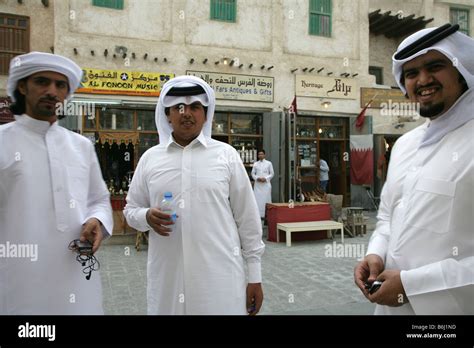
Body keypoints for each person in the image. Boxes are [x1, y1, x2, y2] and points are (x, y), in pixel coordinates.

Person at [354, 24, 474, 315]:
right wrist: (375, 253)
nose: (423, 80)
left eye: (435, 66)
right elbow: (387, 219)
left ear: (461, 71)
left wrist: (413, 285)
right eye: (411, 73)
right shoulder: (405, 144)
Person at [123, 75, 265, 315]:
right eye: (179, 107)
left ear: (206, 114)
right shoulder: (150, 159)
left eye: (195, 106)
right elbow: (130, 211)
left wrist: (255, 275)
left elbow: (247, 219)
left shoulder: (227, 156)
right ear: (168, 114)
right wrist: (146, 216)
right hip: (168, 280)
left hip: (219, 280)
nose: (186, 112)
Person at [0, 52, 113, 314]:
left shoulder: (81, 146)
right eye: (42, 82)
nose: (52, 91)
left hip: (75, 275)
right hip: (16, 280)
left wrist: (97, 220)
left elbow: (99, 200)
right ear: (22, 86)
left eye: (60, 85)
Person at [251, 149, 274, 218]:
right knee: (257, 199)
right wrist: (257, 178)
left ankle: (267, 214)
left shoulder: (269, 163)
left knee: (266, 199)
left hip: (266, 185)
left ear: (264, 155)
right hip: (258, 185)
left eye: (262, 154)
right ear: (258, 156)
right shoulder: (255, 164)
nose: (260, 155)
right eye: (259, 154)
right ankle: (258, 214)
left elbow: (272, 173)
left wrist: (266, 178)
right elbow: (252, 173)